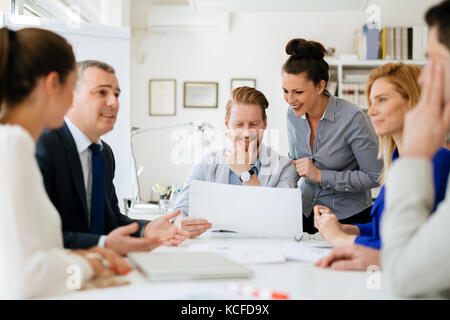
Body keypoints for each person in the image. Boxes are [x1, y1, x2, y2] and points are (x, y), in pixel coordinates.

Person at [0, 27, 131, 299]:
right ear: (52, 85)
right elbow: (25, 279)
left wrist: (86, 256)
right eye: (73, 87)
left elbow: (34, 256)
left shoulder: (17, 143)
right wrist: (93, 265)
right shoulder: (11, 144)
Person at [36, 60, 189, 255]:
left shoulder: (104, 154)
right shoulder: (44, 145)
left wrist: (146, 228)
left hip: (101, 266)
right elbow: (38, 236)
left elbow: (111, 220)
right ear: (71, 97)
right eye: (102, 92)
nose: (114, 103)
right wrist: (104, 244)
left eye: (116, 94)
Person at [313, 62, 450, 251]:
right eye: (371, 102)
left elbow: (408, 246)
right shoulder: (397, 160)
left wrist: (339, 239)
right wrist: (345, 229)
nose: (371, 111)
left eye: (382, 100)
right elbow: (384, 229)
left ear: (412, 101)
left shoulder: (437, 160)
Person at [381, 0, 450, 298]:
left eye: (436, 62)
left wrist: (417, 155)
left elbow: (403, 279)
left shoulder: (433, 157)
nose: (424, 77)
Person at [283, 38, 383, 234]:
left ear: (320, 86)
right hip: (305, 212)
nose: (290, 100)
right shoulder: (292, 115)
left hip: (348, 218)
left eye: (298, 92)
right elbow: (295, 161)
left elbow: (375, 175)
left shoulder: (353, 118)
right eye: (285, 91)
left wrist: (321, 176)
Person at [173, 86, 298, 238]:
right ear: (227, 125)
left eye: (253, 124)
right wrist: (180, 223)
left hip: (265, 249)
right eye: (239, 125)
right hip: (215, 250)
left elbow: (283, 222)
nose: (246, 132)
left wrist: (245, 173)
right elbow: (177, 214)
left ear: (265, 123)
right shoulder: (206, 164)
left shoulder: (285, 167)